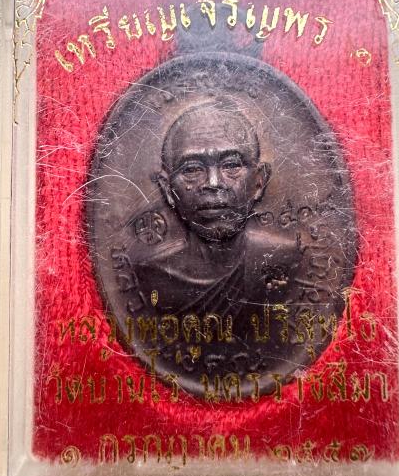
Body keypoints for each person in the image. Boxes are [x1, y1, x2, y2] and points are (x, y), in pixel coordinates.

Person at [129, 100, 306, 322]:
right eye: (192, 168)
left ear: (259, 182)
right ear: (167, 189)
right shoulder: (153, 274)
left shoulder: (286, 258)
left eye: (231, 165)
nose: (213, 183)